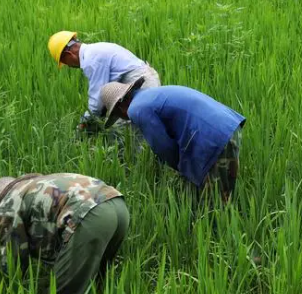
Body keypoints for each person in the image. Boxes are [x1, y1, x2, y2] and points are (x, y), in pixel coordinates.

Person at [0, 173, 129, 294]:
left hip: (90, 215)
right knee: (93, 285)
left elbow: (12, 260)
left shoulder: (8, 203)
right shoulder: (38, 185)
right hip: (118, 206)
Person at [99, 78, 246, 202]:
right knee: (226, 193)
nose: (124, 119)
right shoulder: (151, 95)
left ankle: (215, 232)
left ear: (120, 107)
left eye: (118, 115)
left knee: (213, 202)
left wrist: (181, 170)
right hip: (229, 127)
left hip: (213, 139)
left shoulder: (136, 109)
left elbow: (163, 147)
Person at [46, 31, 161, 136]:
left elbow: (97, 102)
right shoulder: (95, 50)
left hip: (141, 84)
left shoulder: (91, 60)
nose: (70, 66)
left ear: (68, 55)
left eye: (66, 63)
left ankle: (133, 157)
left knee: (121, 130)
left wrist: (82, 125)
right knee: (137, 127)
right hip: (142, 80)